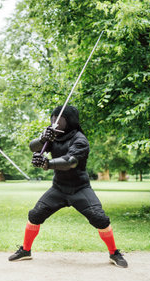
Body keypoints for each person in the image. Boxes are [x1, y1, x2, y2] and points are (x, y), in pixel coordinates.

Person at [8, 105, 128, 268]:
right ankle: (26, 251)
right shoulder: (54, 137)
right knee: (35, 215)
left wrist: (47, 163)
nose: (54, 122)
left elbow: (70, 162)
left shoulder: (80, 140)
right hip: (58, 188)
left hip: (80, 189)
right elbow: (33, 147)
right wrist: (43, 139)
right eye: (53, 118)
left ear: (69, 121)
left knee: (100, 218)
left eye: (59, 119)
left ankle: (114, 253)